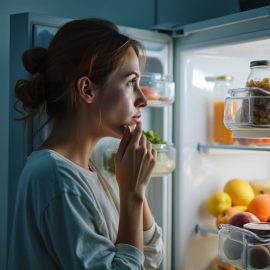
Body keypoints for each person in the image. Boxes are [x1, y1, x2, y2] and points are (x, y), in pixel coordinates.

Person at [7, 18, 164, 270]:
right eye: (130, 82)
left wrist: (136, 189)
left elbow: (151, 257)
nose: (143, 99)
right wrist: (132, 194)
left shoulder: (89, 171)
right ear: (87, 90)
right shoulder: (56, 178)